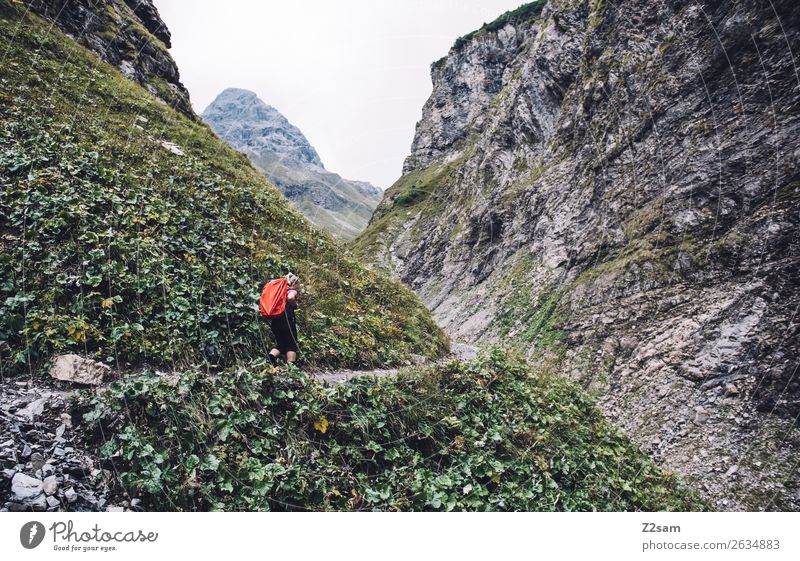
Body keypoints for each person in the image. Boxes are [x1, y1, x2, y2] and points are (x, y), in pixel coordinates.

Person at [268, 273, 300, 366]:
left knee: (280, 345)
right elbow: (290, 297)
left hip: (275, 321)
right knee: (291, 345)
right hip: (287, 321)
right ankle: (292, 369)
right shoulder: (290, 290)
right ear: (294, 283)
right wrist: (294, 304)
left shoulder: (277, 292)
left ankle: (270, 361)